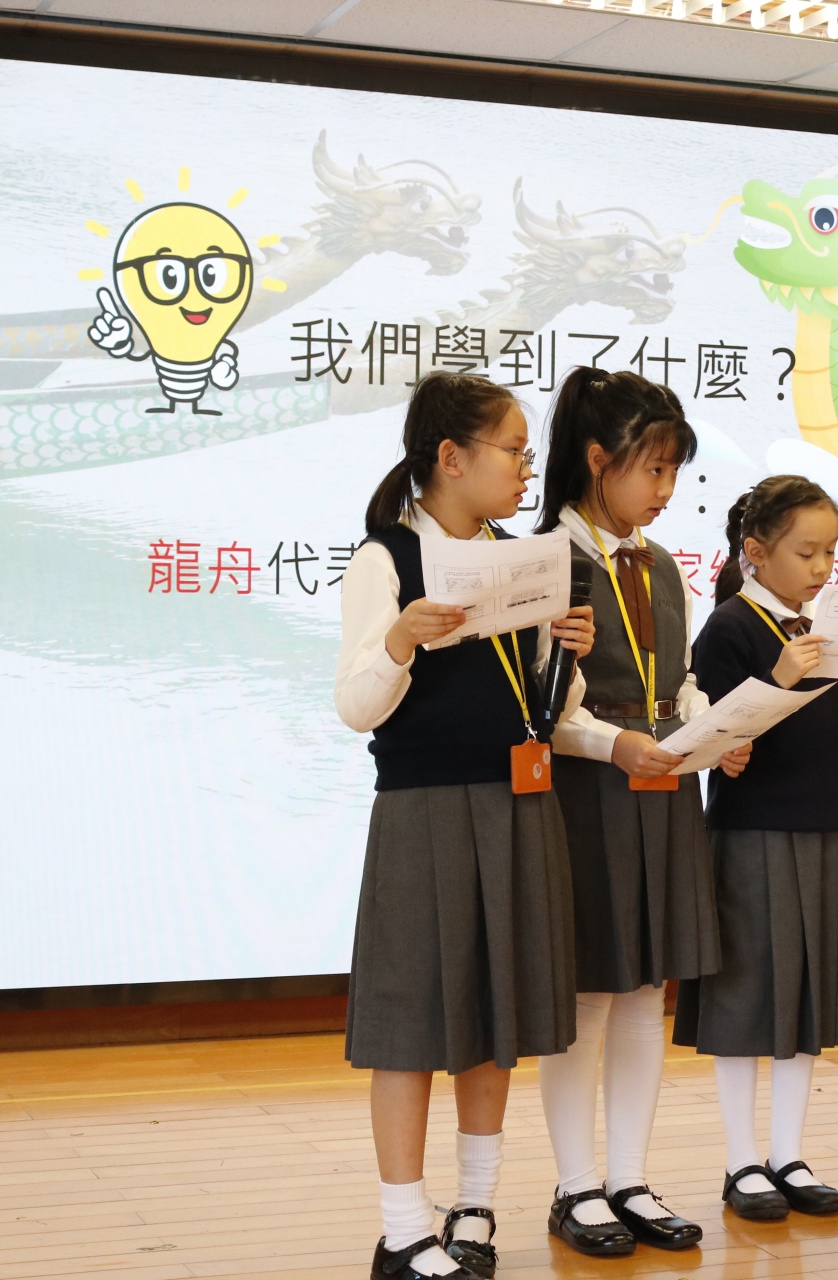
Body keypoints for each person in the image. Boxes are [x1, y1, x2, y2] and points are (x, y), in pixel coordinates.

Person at [335, 372, 595, 1280]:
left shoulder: (522, 557)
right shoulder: (385, 559)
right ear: (451, 457)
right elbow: (355, 707)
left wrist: (567, 658)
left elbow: (549, 713)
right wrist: (402, 639)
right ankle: (403, 1232)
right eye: (514, 451)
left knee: (496, 1016)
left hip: (518, 806)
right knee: (410, 1026)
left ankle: (474, 1207)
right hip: (423, 812)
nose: (527, 468)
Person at [531, 368, 749, 1257]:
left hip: (663, 787)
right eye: (653, 470)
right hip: (586, 792)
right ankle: (576, 1185)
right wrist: (614, 744)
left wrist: (714, 730)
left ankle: (628, 1177)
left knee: (646, 986)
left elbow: (680, 682)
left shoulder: (660, 565)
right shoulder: (545, 561)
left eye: (672, 472)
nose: (665, 489)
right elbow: (544, 709)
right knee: (589, 989)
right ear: (598, 460)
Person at [675, 475, 838, 1221]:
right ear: (755, 551)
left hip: (823, 828)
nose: (821, 567)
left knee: (806, 995)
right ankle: (741, 1161)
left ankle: (788, 1154)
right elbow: (719, 738)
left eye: (830, 552)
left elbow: (833, 740)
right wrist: (777, 677)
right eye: (807, 552)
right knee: (746, 999)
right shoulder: (729, 629)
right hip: (750, 834)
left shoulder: (822, 627)